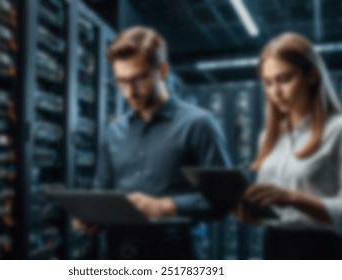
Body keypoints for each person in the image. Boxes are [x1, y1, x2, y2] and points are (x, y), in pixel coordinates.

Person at [72, 26, 232, 259]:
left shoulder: (199, 125)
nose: (129, 92)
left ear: (162, 70)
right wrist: (92, 218)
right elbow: (101, 191)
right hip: (118, 252)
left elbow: (223, 199)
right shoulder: (113, 131)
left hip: (176, 252)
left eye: (138, 79)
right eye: (122, 82)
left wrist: (165, 206)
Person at [236, 32, 342, 260]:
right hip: (273, 247)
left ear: (312, 76)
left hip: (320, 252)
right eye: (268, 83)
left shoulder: (341, 130)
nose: (276, 93)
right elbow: (273, 209)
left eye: (285, 79)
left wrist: (293, 198)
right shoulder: (268, 137)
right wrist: (252, 212)